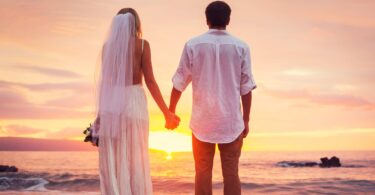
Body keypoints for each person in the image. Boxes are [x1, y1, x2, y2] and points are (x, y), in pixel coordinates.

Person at [169, 1, 256, 195]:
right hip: (231, 122)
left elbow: (179, 82)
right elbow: (246, 87)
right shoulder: (241, 47)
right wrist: (246, 119)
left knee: (202, 173)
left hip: (202, 122)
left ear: (206, 20)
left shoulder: (193, 44)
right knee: (231, 174)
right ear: (229, 19)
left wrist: (171, 111)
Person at [95, 8, 180, 195]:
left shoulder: (107, 48)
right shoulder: (142, 45)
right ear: (136, 24)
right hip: (134, 102)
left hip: (112, 104)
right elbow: (150, 81)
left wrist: (99, 117)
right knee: (136, 154)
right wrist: (167, 113)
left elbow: (106, 84)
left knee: (116, 155)